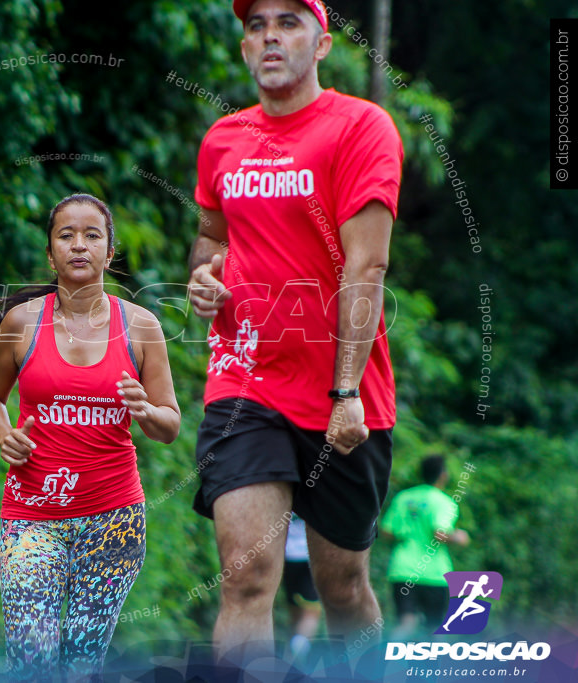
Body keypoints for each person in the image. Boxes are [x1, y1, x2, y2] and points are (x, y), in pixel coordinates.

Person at [186, 0, 404, 667]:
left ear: (322, 43)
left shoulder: (360, 127)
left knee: (341, 586)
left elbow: (367, 266)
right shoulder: (223, 138)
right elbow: (208, 239)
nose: (269, 36)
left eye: (287, 22)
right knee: (246, 577)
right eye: (256, 26)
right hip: (244, 381)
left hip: (342, 392)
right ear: (246, 47)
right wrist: (202, 278)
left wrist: (344, 391)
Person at [0, 193, 181, 682]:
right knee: (31, 658)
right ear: (51, 254)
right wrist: (4, 434)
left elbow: (170, 424)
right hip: (32, 515)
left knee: (81, 664)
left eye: (92, 236)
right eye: (66, 235)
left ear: (111, 252)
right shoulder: (22, 323)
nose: (79, 245)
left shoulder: (142, 327)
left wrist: (145, 410)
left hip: (114, 521)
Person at [381, 455, 470, 639]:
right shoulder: (444, 501)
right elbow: (439, 533)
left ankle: (386, 662)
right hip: (434, 573)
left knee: (406, 623)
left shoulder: (403, 497)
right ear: (443, 475)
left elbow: (387, 532)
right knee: (435, 628)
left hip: (402, 568)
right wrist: (459, 537)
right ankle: (431, 667)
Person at [281, 514, 322, 660]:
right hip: (311, 556)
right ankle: (298, 653)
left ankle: (288, 655)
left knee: (295, 610)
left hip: (285, 555)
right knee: (311, 612)